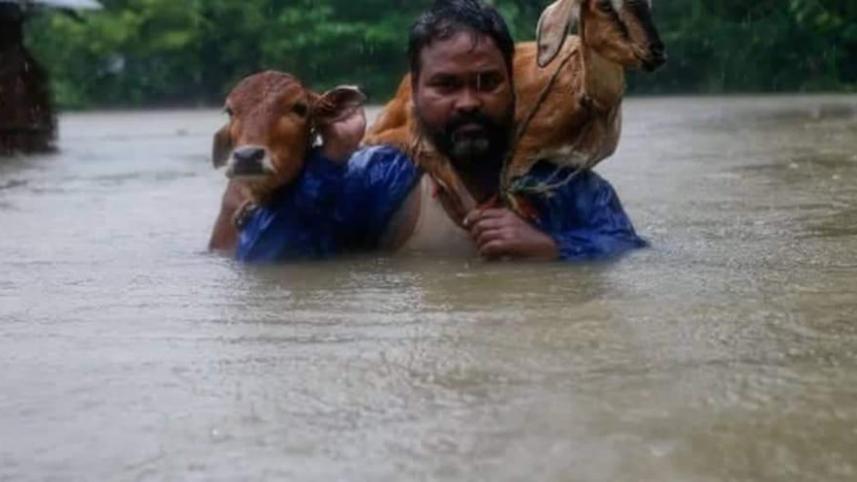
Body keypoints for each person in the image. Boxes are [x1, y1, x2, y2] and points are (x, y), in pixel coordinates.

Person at [233, 0, 646, 263]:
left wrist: (554, 249)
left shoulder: (564, 184)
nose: (468, 101)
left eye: (488, 82)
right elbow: (265, 257)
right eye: (446, 85)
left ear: (513, 87)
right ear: (414, 90)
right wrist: (330, 159)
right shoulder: (379, 176)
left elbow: (631, 253)